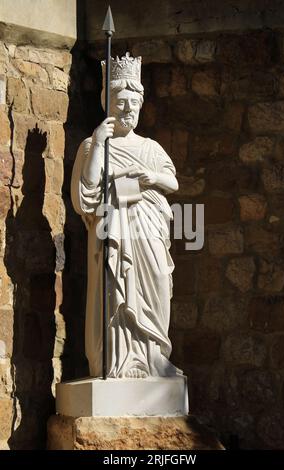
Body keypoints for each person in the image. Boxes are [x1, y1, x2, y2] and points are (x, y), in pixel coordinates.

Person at [71, 53, 181, 379]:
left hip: (149, 228)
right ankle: (116, 362)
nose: (128, 109)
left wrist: (149, 177)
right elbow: (85, 196)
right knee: (114, 287)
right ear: (107, 103)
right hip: (112, 227)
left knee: (158, 280)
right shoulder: (92, 146)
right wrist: (98, 143)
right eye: (121, 102)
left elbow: (171, 182)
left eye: (134, 102)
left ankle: (154, 358)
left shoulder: (150, 148)